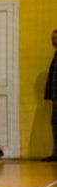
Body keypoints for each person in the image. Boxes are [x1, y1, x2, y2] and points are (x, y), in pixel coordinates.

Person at [42, 29, 57, 162]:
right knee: (55, 125)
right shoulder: (55, 55)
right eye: (52, 38)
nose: (53, 41)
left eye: (56, 38)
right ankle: (55, 153)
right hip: (55, 100)